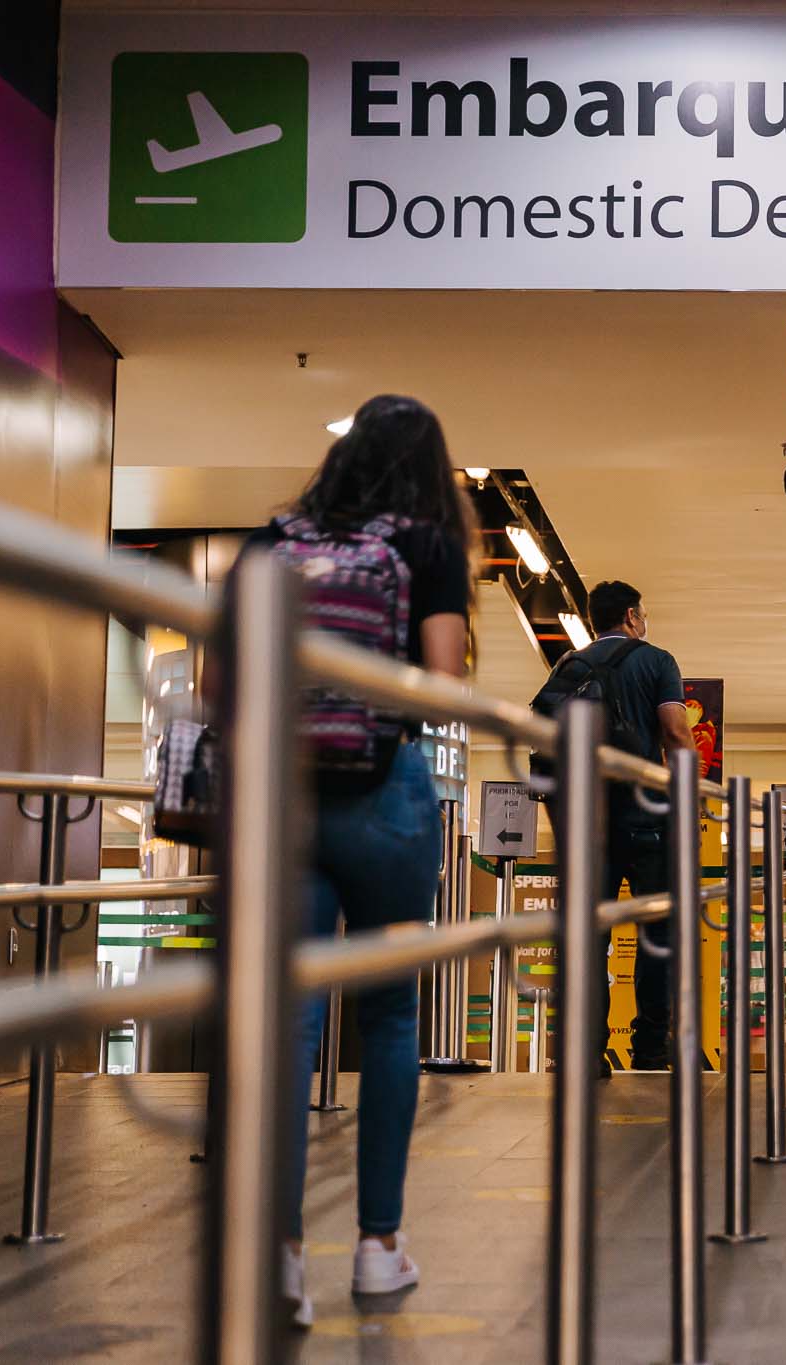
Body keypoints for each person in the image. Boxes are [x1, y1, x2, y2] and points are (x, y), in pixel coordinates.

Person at [256, 394, 478, 1328]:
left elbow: (223, 679)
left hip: (285, 798)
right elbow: (442, 685)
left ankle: (278, 1257)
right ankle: (379, 1247)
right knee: (389, 1013)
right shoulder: (427, 543)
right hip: (386, 789)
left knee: (288, 1016)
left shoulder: (276, 539)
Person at [541, 580, 695, 1075]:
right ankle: (650, 1049)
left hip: (587, 825)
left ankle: (587, 1051)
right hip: (647, 821)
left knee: (589, 939)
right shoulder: (657, 661)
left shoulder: (568, 666)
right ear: (631, 616)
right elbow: (676, 734)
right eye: (642, 613)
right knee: (658, 936)